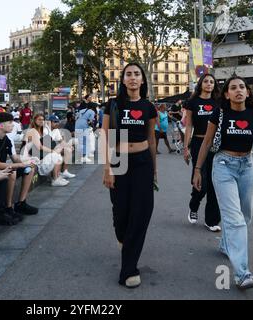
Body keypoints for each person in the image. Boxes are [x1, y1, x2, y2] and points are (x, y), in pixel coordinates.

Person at [193, 75, 253, 290]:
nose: (239, 90)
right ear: (227, 94)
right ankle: (242, 273)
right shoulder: (219, 113)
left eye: (242, 87)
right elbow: (207, 142)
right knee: (234, 218)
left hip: (246, 166)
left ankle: (226, 244)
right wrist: (198, 170)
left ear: (247, 92)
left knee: (244, 216)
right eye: (233, 87)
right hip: (223, 166)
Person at [102, 62, 158, 289]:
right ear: (123, 80)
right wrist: (107, 168)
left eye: (137, 74)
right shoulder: (113, 105)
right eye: (129, 74)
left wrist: (154, 169)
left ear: (142, 80)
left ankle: (129, 269)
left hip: (143, 160)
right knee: (121, 213)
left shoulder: (148, 107)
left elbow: (152, 139)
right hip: (119, 160)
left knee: (142, 212)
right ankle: (124, 240)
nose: (133, 78)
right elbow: (105, 136)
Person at [183, 74, 222, 232]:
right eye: (206, 81)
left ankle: (211, 220)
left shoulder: (218, 103)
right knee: (201, 182)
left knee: (215, 184)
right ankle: (194, 205)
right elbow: (189, 126)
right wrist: (186, 147)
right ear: (201, 84)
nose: (209, 84)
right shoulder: (193, 102)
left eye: (212, 82)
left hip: (216, 145)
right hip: (199, 144)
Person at [0, 112, 39, 222]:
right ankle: (8, 207)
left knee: (30, 169)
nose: (13, 125)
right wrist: (20, 164)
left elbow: (15, 158)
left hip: (1, 168)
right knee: (12, 172)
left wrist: (28, 161)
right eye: (10, 122)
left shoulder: (8, 139)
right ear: (1, 126)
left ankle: (21, 203)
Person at [23, 114, 68, 187]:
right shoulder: (32, 130)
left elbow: (55, 141)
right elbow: (39, 147)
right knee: (56, 155)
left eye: (42, 120)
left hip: (39, 153)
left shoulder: (41, 130)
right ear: (34, 120)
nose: (41, 121)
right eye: (39, 119)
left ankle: (56, 177)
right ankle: (55, 179)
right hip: (32, 155)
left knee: (58, 154)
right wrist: (52, 151)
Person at [45, 115, 76, 179]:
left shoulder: (56, 129)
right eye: (55, 122)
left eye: (58, 122)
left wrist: (68, 146)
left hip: (52, 147)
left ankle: (65, 171)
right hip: (45, 149)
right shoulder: (45, 129)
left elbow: (61, 140)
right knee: (60, 152)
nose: (57, 123)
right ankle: (56, 176)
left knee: (68, 149)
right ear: (49, 122)